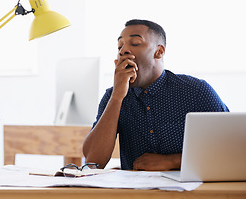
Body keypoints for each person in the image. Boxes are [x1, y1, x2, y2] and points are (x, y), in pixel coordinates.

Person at [82, 19, 229, 171]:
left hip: (188, 191)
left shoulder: (196, 91)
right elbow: (93, 161)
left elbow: (231, 148)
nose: (123, 50)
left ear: (159, 52)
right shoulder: (113, 97)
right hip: (133, 193)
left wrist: (173, 161)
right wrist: (117, 97)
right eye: (120, 46)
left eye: (135, 43)